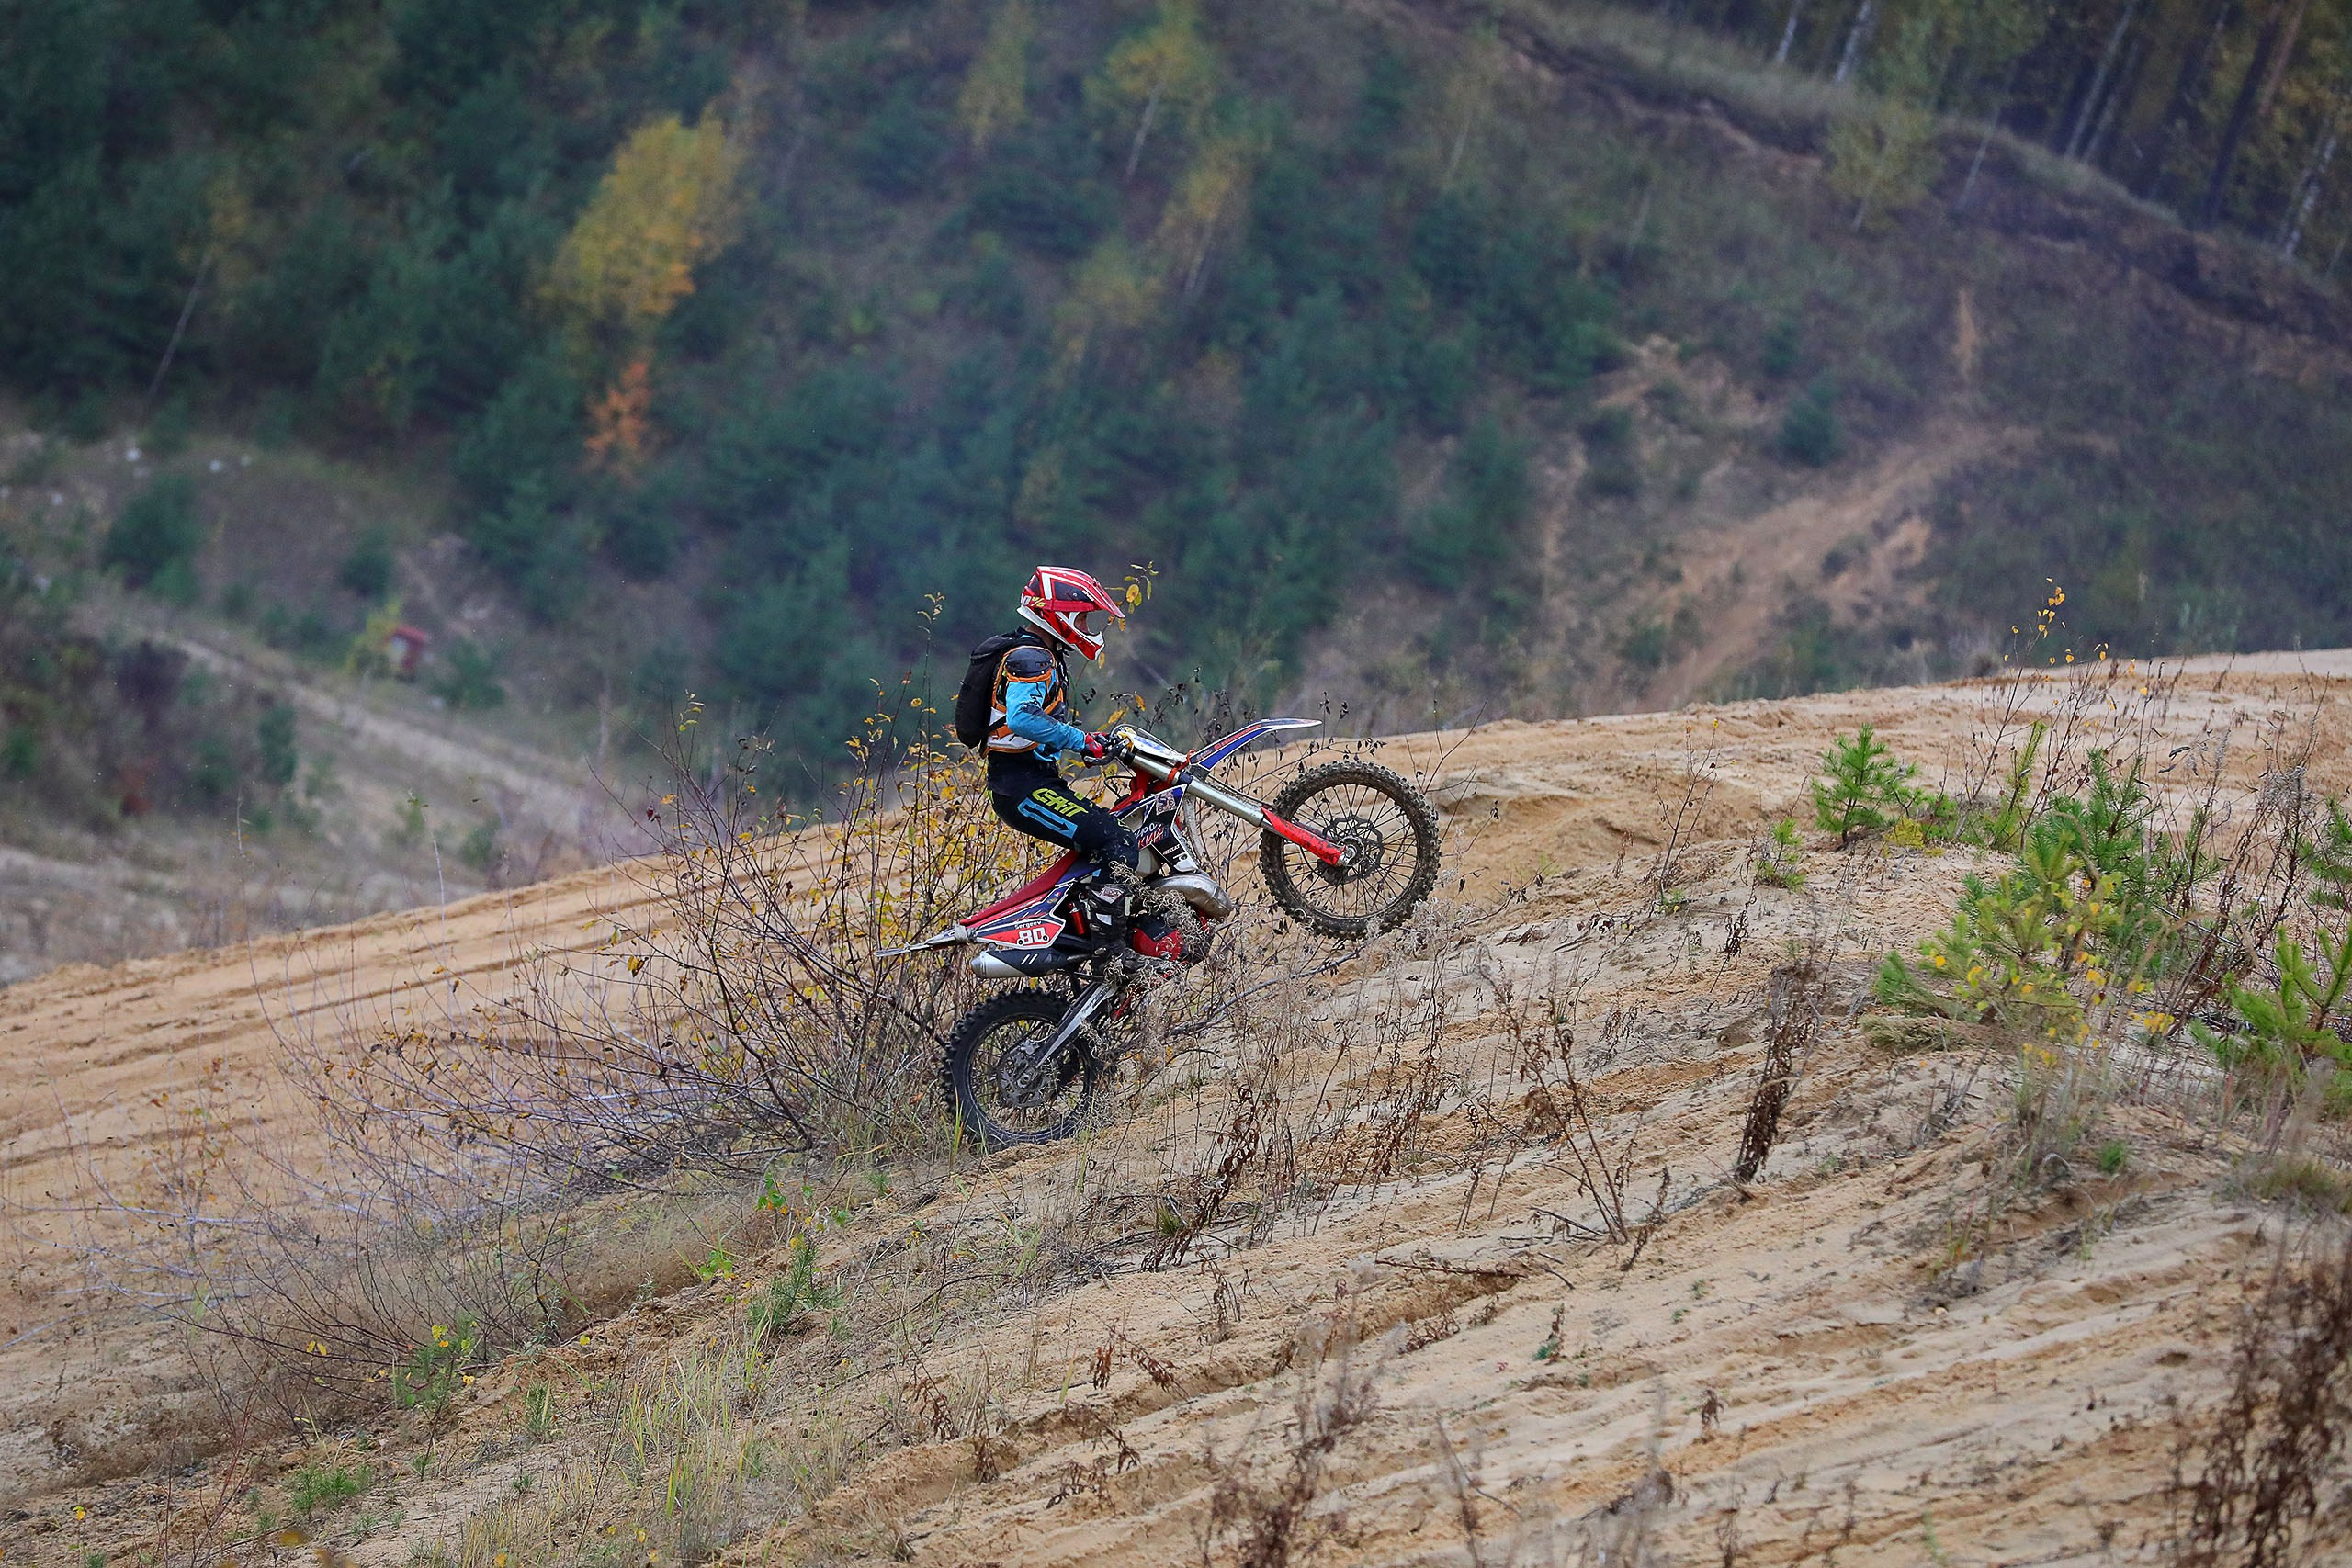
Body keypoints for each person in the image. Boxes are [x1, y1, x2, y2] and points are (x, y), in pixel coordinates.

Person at [984, 567, 1138, 952]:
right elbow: (1022, 717)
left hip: (1035, 780)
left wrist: (1092, 742)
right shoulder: (1031, 657)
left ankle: (1089, 928)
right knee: (1116, 842)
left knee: (1107, 837)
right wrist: (1080, 741)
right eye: (1083, 617)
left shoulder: (1042, 653)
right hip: (1021, 786)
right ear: (1059, 615)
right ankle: (1108, 954)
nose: (1088, 625)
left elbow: (1037, 722)